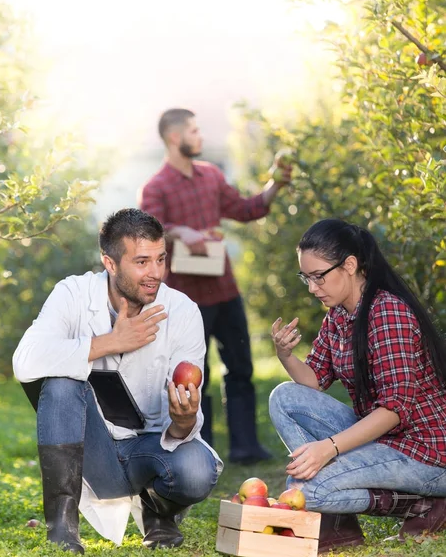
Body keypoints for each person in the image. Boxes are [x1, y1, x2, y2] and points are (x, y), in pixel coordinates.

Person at [13, 208, 222, 554]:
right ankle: (62, 529)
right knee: (61, 383)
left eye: (160, 259)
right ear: (110, 264)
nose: (155, 273)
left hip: (150, 451)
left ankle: (159, 514)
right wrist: (110, 342)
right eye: (141, 262)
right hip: (94, 452)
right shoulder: (74, 294)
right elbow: (24, 361)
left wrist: (184, 420)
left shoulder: (182, 311)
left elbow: (184, 420)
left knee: (198, 470)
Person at [269, 218, 446, 553]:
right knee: (284, 398)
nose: (311, 287)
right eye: (305, 277)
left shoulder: (388, 313)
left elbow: (395, 410)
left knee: (308, 491)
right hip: (387, 439)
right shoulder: (338, 315)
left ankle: (424, 505)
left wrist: (329, 449)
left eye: (318, 276)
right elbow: (314, 382)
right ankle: (339, 524)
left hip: (427, 452)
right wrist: (285, 355)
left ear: (349, 265)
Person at [139, 107, 292, 465]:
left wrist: (276, 185)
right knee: (192, 377)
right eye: (194, 130)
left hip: (225, 290)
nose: (201, 136)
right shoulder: (156, 187)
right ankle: (199, 448)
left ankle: (245, 447)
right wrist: (181, 232)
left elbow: (247, 208)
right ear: (175, 137)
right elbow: (149, 230)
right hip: (186, 300)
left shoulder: (210, 175)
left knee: (241, 370)